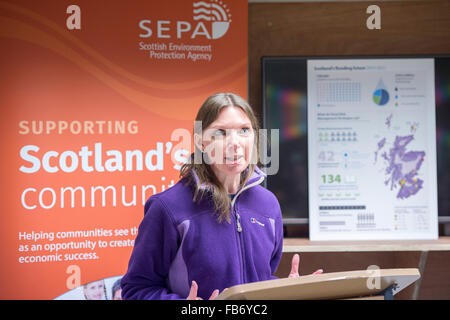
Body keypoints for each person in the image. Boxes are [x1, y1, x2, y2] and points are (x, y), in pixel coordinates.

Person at [120, 93, 321, 300]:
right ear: (201, 142)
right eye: (220, 133)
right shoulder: (168, 208)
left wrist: (288, 291)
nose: (234, 143)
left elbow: (257, 281)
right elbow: (136, 290)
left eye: (244, 130)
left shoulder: (268, 205)